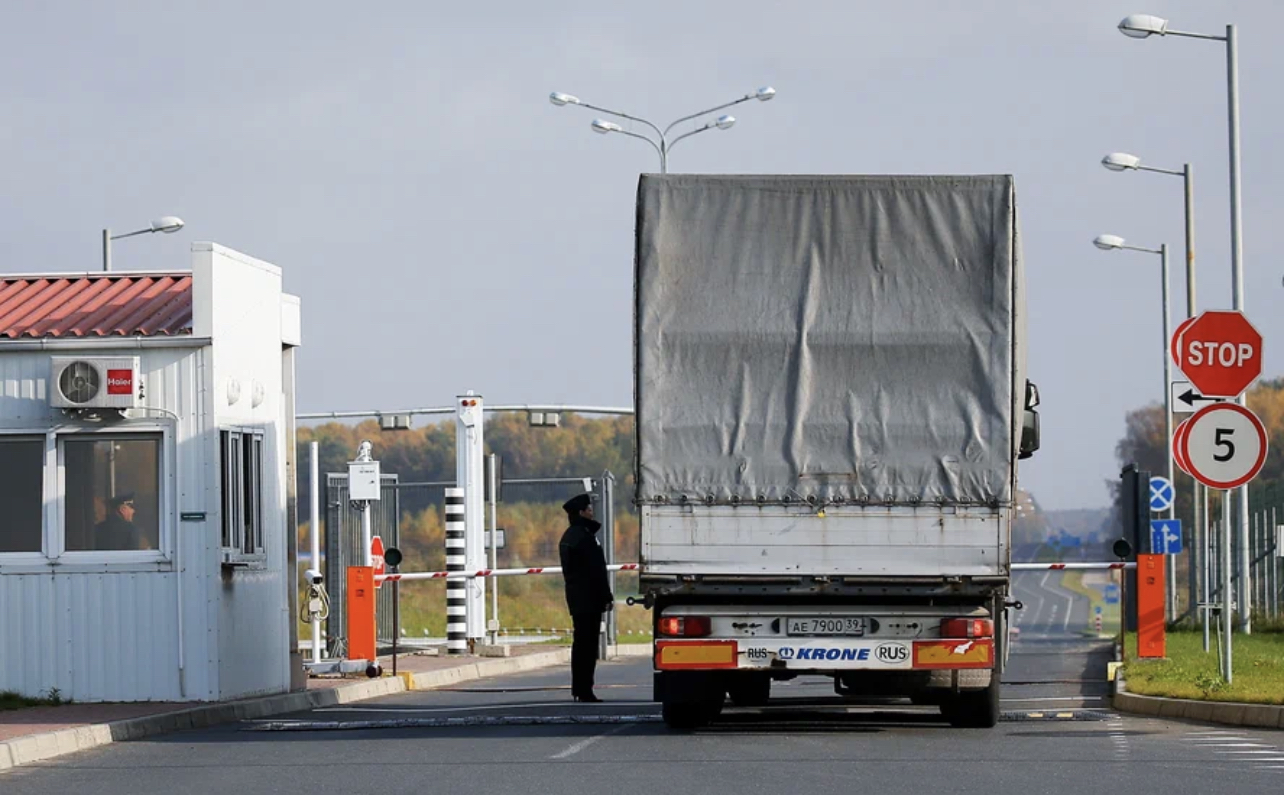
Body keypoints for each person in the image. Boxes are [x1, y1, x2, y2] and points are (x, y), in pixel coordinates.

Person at [558, 493, 612, 702]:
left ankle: (579, 688)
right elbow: (596, 571)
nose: (592, 511)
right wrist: (606, 596)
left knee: (581, 644)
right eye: (589, 509)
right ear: (581, 512)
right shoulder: (585, 538)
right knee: (587, 646)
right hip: (589, 598)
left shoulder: (570, 536)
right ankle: (584, 689)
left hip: (577, 597)